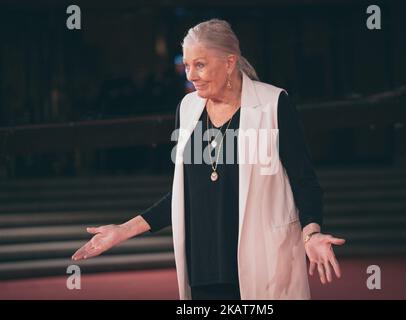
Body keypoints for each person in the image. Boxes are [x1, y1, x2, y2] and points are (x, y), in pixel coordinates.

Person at [72, 19, 345, 300]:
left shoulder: (274, 105)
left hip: (262, 260)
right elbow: (184, 192)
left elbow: (304, 181)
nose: (191, 75)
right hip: (203, 267)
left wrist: (311, 234)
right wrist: (122, 231)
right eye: (187, 65)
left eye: (199, 65)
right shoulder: (187, 108)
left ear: (229, 62)